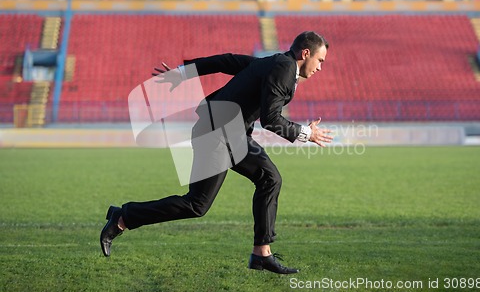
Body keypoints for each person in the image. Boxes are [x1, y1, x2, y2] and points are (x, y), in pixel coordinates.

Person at [100, 31, 333, 274]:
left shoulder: (273, 62)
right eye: (320, 61)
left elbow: (227, 61)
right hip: (216, 133)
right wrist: (306, 133)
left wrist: (183, 73)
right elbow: (270, 118)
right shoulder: (283, 68)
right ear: (305, 53)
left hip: (232, 134)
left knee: (270, 179)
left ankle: (261, 254)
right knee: (196, 204)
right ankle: (123, 217)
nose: (320, 68)